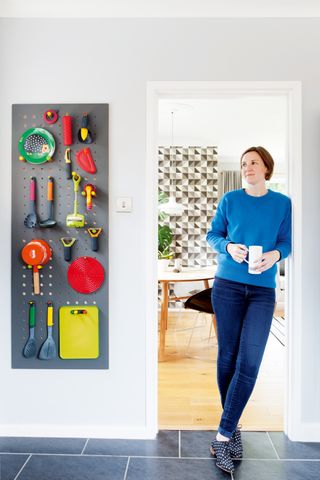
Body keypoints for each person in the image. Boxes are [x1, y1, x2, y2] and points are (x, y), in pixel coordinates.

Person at [206, 146, 291, 474]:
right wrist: (229, 246)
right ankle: (232, 429)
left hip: (262, 291)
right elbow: (212, 235)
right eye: (243, 163)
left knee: (250, 360)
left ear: (267, 168)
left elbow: (286, 242)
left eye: (254, 162)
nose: (247, 167)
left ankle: (223, 435)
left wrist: (275, 256)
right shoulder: (230, 200)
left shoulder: (282, 203)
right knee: (227, 357)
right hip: (227, 285)